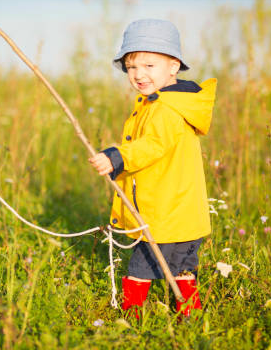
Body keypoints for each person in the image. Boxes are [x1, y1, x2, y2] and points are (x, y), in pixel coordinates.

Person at [88, 19, 216, 318]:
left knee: (141, 267)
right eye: (131, 67)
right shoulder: (165, 101)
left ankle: (132, 317)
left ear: (173, 66)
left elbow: (153, 146)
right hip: (182, 211)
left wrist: (117, 157)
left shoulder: (167, 109)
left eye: (149, 65)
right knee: (182, 266)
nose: (138, 74)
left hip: (164, 213)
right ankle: (190, 313)